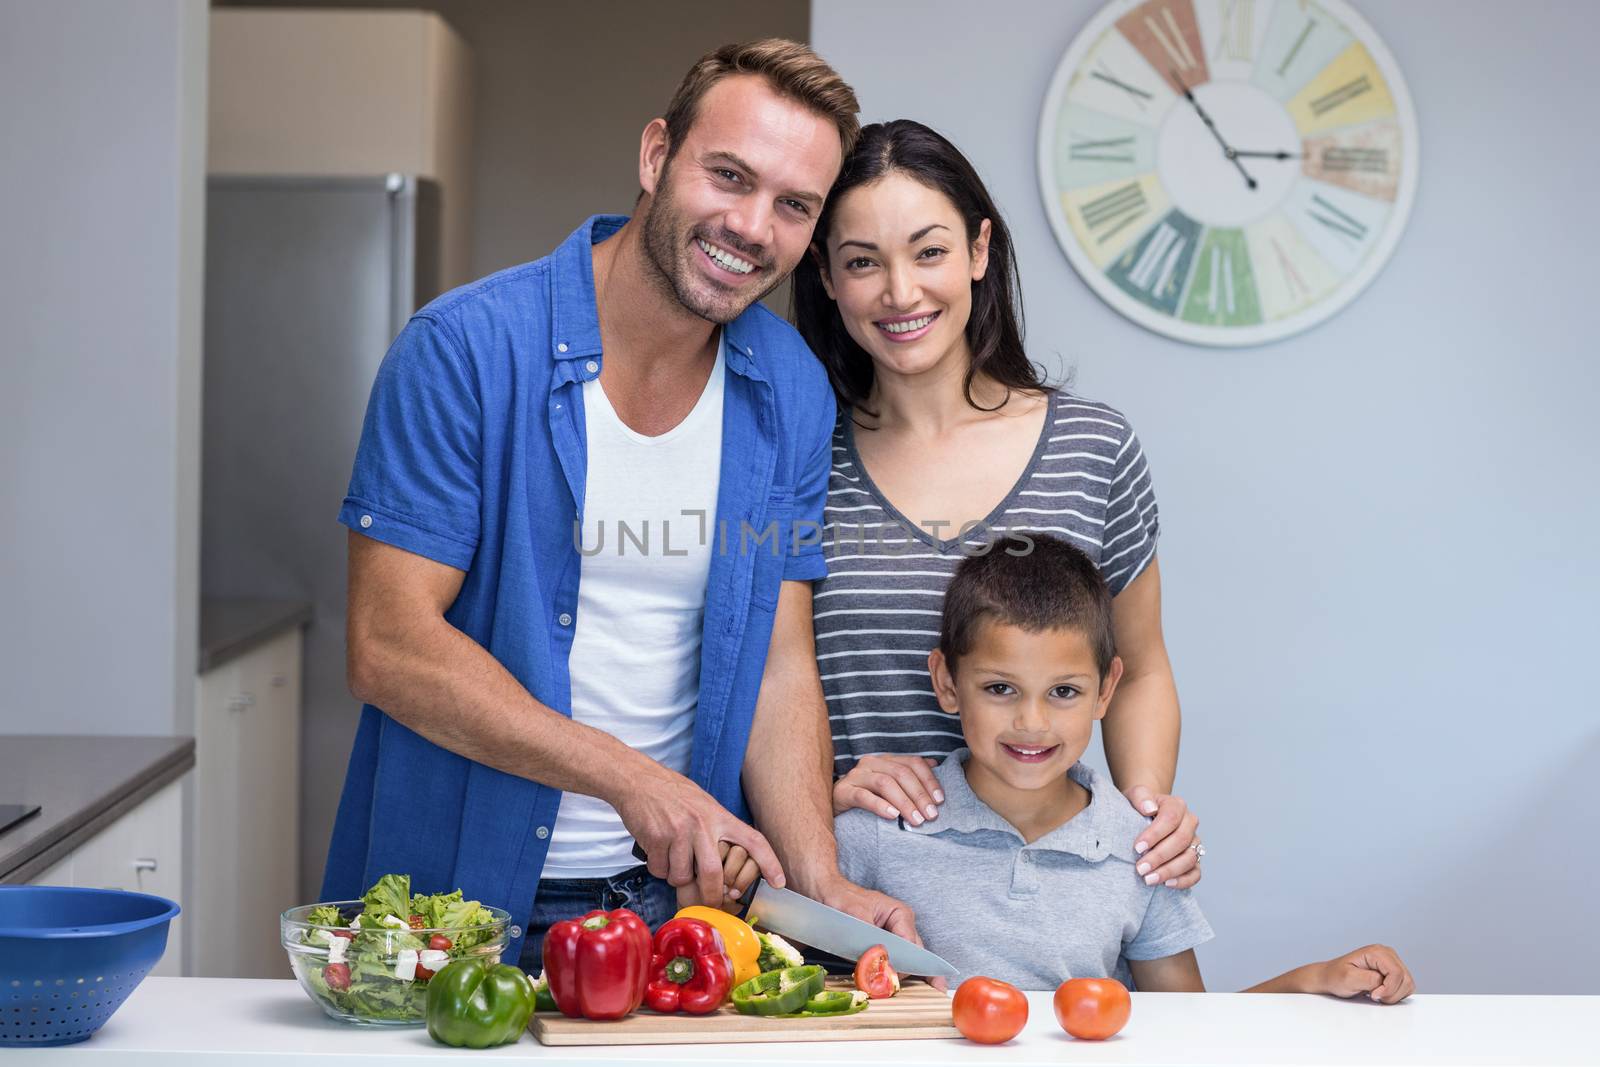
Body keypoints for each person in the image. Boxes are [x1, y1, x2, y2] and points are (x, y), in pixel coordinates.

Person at [321, 39, 918, 971]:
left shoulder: (791, 390)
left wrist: (821, 879)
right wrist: (636, 780)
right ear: (655, 156)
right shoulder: (464, 351)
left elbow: (778, 666)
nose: (754, 226)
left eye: (794, 205)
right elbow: (387, 642)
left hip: (667, 923)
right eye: (729, 176)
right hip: (446, 915)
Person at [789, 120, 1200, 888]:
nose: (900, 290)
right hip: (861, 904)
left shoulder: (1093, 448)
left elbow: (1139, 667)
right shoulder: (796, 460)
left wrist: (1147, 815)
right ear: (825, 275)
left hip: (1054, 900)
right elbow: (769, 680)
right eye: (862, 262)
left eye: (929, 250)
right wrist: (820, 799)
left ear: (979, 251)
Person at [835, 534, 1415, 1000]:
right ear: (946, 683)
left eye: (1063, 691)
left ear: (1107, 690)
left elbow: (1188, 1029)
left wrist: (1309, 982)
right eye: (1000, 688)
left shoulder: (1145, 850)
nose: (1031, 722)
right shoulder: (879, 832)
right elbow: (780, 981)